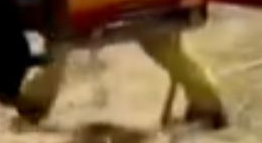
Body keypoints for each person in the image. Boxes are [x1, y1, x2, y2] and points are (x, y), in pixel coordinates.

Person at [15, 30, 228, 130]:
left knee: (59, 46)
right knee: (161, 44)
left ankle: (35, 104)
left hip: (81, 0)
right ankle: (206, 98)